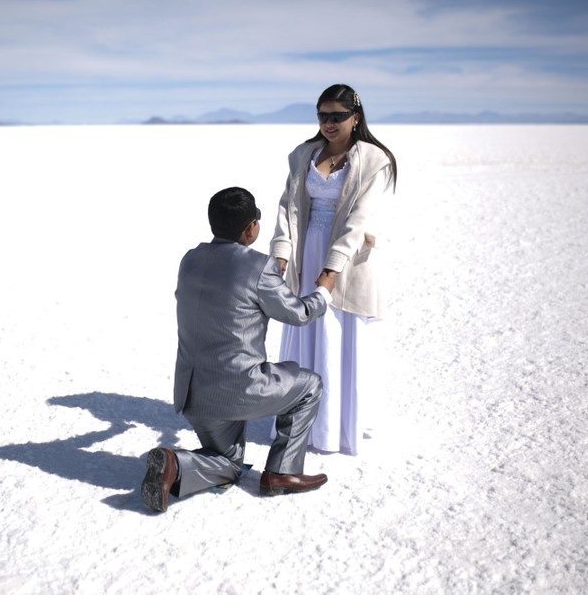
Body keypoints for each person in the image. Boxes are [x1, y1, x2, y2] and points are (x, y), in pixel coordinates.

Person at [140, 186, 336, 513]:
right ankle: (281, 472)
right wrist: (324, 292)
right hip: (239, 390)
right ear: (250, 229)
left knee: (228, 464)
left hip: (193, 395)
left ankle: (176, 464)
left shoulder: (190, 259)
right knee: (309, 386)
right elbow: (299, 314)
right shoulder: (260, 267)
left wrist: (266, 282)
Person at [270, 84, 397, 456]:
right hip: (307, 250)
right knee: (307, 332)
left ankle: (335, 427)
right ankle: (302, 422)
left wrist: (332, 268)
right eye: (322, 116)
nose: (329, 123)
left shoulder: (374, 160)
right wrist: (281, 251)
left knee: (335, 333)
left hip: (347, 259)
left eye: (337, 116)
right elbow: (288, 207)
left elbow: (358, 220)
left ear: (355, 117)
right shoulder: (303, 155)